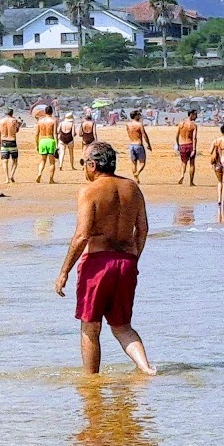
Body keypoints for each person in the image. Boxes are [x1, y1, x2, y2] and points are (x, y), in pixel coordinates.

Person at [54, 142, 156, 375]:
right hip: (126, 262)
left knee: (90, 327)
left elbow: (81, 236)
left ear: (92, 164)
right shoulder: (133, 188)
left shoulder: (89, 191)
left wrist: (64, 272)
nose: (83, 169)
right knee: (122, 326)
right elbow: (143, 229)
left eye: (83, 163)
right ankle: (147, 369)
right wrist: (134, 259)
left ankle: (92, 383)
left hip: (98, 264)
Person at [35, 104, 59, 184]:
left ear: (45, 112)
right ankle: (51, 179)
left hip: (42, 140)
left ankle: (39, 174)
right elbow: (55, 133)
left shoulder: (40, 121)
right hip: (50, 139)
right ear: (52, 112)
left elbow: (36, 134)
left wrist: (37, 144)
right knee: (52, 162)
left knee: (42, 160)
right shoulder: (53, 120)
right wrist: (57, 144)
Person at [175, 109, 199, 186]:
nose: (196, 117)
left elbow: (177, 136)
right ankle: (191, 182)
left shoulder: (181, 124)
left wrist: (178, 145)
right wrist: (194, 149)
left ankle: (182, 175)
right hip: (190, 145)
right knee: (192, 164)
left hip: (182, 145)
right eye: (195, 115)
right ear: (191, 114)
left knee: (183, 163)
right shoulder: (193, 125)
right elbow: (194, 138)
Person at [124, 110, 149, 182]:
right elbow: (144, 135)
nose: (140, 116)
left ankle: (136, 179)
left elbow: (129, 133)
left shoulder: (128, 124)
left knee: (133, 163)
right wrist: (148, 144)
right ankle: (137, 173)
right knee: (142, 163)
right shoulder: (139, 124)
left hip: (131, 144)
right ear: (136, 116)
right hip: (138, 144)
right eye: (139, 115)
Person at [0, 107, 21, 183]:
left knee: (5, 161)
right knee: (15, 161)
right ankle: (11, 175)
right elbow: (16, 131)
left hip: (4, 141)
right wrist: (18, 126)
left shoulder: (0, 121)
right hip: (12, 141)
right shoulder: (14, 120)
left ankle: (7, 178)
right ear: (12, 113)